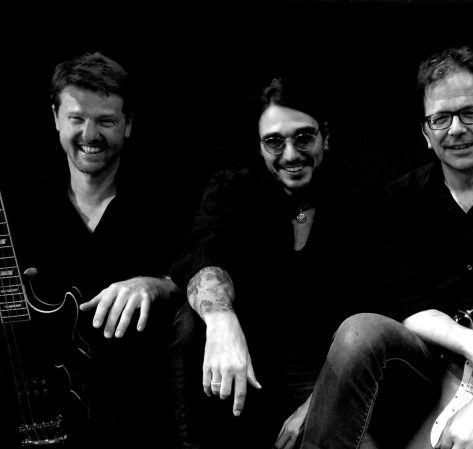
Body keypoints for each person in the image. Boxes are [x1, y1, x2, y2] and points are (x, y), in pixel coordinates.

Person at [299, 46, 473, 449]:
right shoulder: (400, 200)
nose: (457, 129)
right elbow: (405, 300)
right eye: (441, 118)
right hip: (428, 371)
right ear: (426, 133)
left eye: (471, 113)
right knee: (358, 331)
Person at [169, 76, 376, 448]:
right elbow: (203, 253)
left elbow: (374, 318)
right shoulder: (234, 190)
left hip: (328, 372)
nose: (291, 154)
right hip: (247, 366)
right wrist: (221, 320)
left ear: (325, 137)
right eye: (275, 141)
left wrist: (318, 404)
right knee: (190, 322)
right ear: (260, 145)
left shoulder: (359, 198)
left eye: (304, 137)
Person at [4, 52, 183, 448]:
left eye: (106, 121)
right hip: (42, 418)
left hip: (141, 419)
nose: (89, 134)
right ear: (55, 118)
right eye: (76, 118)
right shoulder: (22, 208)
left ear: (128, 124)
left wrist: (155, 285)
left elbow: (193, 279)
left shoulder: (164, 203)